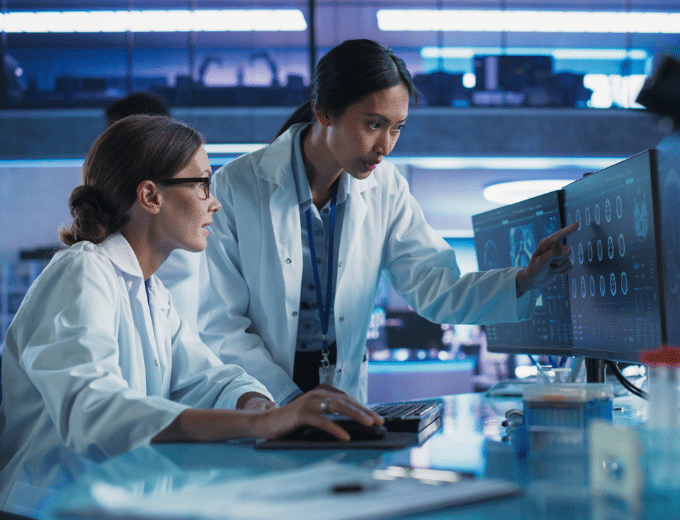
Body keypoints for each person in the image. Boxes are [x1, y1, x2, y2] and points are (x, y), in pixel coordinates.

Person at [0, 115, 381, 517]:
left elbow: (210, 378)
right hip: (42, 507)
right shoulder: (82, 271)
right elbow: (93, 412)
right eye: (201, 184)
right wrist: (258, 427)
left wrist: (258, 406)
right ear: (150, 196)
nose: (213, 201)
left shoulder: (151, 293)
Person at [199, 39, 579, 406]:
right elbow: (222, 323)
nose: (385, 146)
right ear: (324, 112)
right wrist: (287, 400)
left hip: (341, 403)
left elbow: (435, 287)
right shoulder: (237, 185)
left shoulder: (386, 187)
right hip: (261, 400)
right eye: (373, 125)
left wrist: (524, 280)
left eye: (397, 127)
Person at [105, 92, 203, 333]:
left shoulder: (173, 179)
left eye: (111, 133)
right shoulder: (145, 181)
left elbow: (182, 260)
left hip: (168, 314)